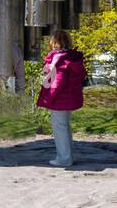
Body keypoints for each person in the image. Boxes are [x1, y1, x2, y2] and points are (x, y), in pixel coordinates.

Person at [35, 29, 88, 168]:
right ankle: (68, 156)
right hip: (70, 98)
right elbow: (80, 76)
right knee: (65, 127)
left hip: (59, 99)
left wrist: (48, 98)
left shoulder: (58, 58)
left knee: (60, 128)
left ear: (54, 42)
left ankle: (64, 159)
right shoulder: (74, 57)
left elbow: (57, 82)